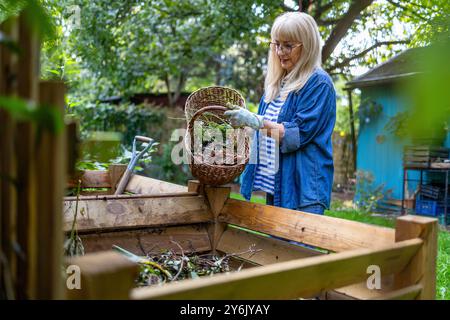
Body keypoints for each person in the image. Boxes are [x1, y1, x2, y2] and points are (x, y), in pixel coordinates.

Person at [224, 12, 336, 215]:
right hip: (276, 184)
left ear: (307, 45)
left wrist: (254, 120)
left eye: (288, 45)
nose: (280, 52)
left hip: (303, 188)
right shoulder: (278, 83)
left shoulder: (319, 83)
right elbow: (265, 131)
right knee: (276, 246)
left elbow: (296, 135)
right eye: (276, 44)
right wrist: (243, 127)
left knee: (296, 247)